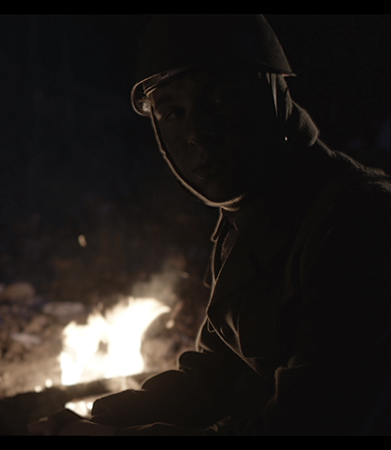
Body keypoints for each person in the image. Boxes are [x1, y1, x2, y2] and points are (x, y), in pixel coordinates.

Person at [30, 14, 391, 435]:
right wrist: (101, 418)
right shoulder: (247, 220)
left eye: (222, 99)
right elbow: (217, 376)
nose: (198, 134)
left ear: (272, 96)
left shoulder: (357, 222)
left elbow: (310, 423)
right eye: (173, 113)